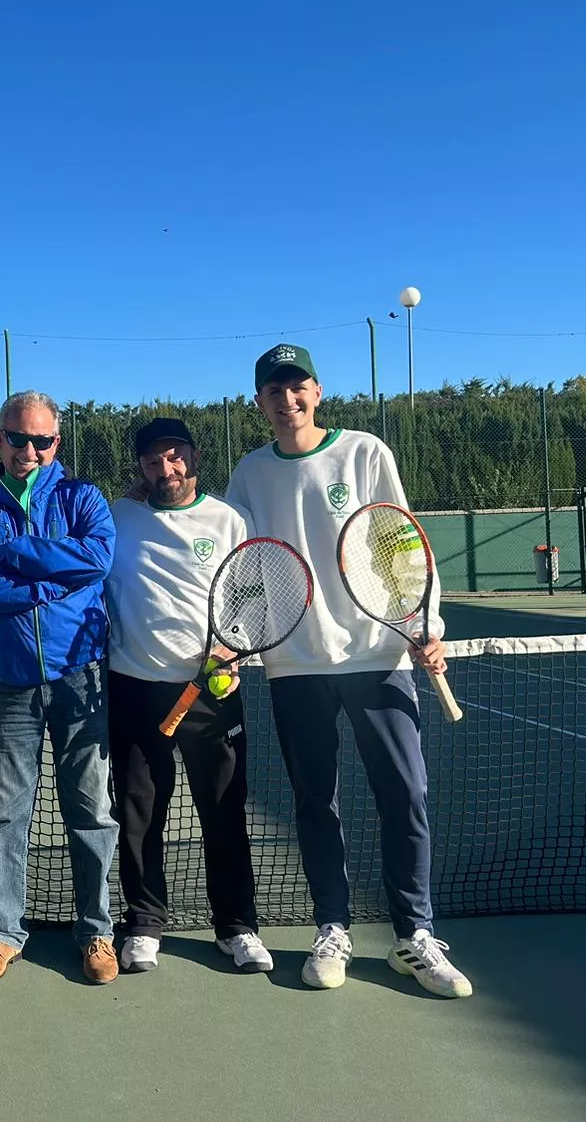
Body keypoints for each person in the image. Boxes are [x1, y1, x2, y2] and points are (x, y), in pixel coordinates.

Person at [226, 343, 472, 999]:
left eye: (297, 387)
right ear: (260, 403)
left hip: (377, 654)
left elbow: (400, 543)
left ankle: (415, 936)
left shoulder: (365, 453)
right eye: (274, 391)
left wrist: (426, 626)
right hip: (294, 663)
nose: (288, 400)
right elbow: (244, 566)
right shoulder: (250, 473)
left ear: (317, 391)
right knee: (315, 802)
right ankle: (331, 928)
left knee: (406, 795)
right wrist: (238, 639)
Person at [0, 389, 121, 985]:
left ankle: (96, 932)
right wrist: (54, 582)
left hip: (80, 676)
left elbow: (97, 560)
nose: (29, 450)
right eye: (17, 438)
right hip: (7, 681)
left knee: (91, 811)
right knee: (7, 814)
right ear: (0, 438)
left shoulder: (83, 496)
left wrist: (17, 553)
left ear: (55, 442)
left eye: (41, 440)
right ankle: (5, 933)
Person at [105, 417, 272, 975]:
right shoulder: (118, 516)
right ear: (140, 468)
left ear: (195, 457)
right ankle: (144, 923)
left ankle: (237, 927)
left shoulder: (229, 520)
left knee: (223, 811)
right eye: (153, 460)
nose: (166, 468)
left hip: (211, 693)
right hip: (134, 688)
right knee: (139, 815)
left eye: (175, 456)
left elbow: (253, 597)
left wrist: (233, 645)